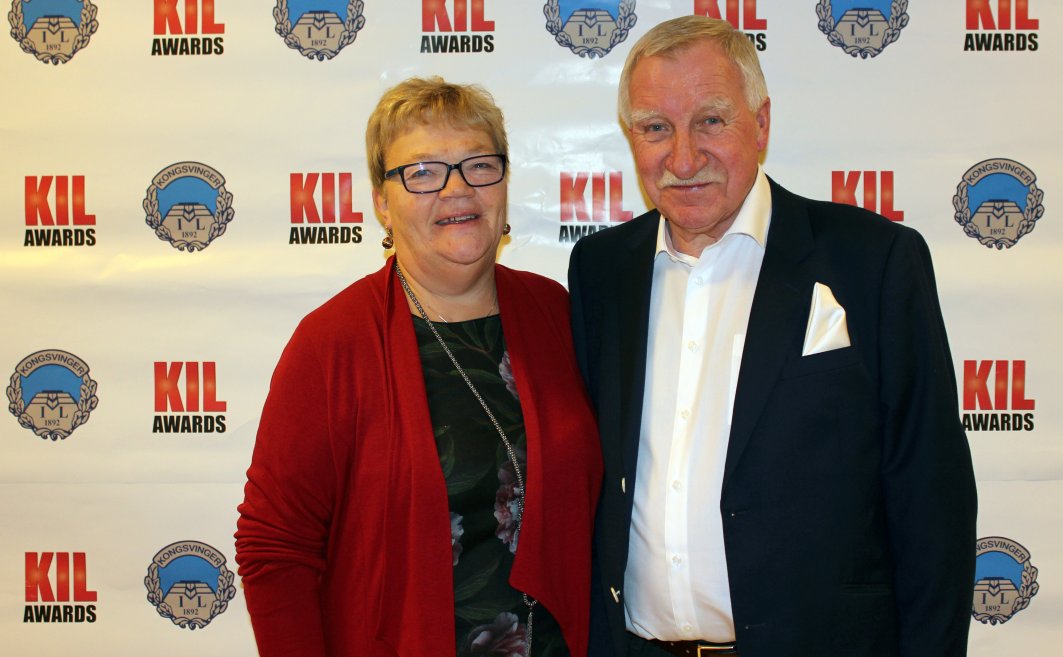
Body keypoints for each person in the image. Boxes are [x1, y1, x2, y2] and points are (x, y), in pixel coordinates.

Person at [568, 16, 977, 657]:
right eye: (655, 128)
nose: (683, 157)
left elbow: (932, 500)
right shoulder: (601, 271)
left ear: (760, 124)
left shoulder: (872, 262)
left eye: (710, 120)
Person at [237, 77, 602, 657]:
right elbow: (275, 548)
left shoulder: (555, 313)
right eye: (423, 172)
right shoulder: (333, 344)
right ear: (382, 202)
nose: (457, 189)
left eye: (478, 165)